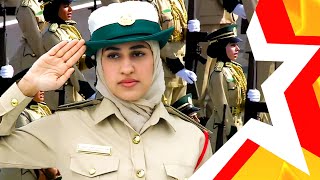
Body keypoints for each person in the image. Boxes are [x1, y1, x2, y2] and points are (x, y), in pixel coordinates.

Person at [0, 2, 212, 179]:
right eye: (113, 56)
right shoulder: (66, 127)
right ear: (99, 65)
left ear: (156, 61)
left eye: (138, 54)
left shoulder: (194, 139)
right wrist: (24, 88)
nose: (127, 68)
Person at [100, 0, 198, 106]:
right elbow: (155, 37)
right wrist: (176, 66)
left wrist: (191, 32)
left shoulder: (177, 1)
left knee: (182, 114)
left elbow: (179, 32)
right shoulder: (147, 4)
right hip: (163, 71)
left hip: (182, 71)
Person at [204, 24, 260, 152]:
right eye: (232, 45)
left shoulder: (236, 69)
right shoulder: (219, 73)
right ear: (222, 48)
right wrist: (231, 129)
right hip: (223, 128)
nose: (237, 49)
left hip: (238, 122)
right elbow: (221, 105)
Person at [194, 0, 246, 119]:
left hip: (230, 17)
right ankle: (197, 115)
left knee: (223, 70)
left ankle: (216, 117)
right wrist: (233, 4)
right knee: (203, 70)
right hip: (209, 16)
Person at [41, 0, 95, 110]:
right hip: (61, 96)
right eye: (65, 6)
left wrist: (92, 59)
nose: (71, 9)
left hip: (74, 91)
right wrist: (87, 91)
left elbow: (77, 63)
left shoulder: (68, 31)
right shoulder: (51, 35)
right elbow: (67, 65)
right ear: (54, 9)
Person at [0, 90, 62, 180]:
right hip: (23, 172)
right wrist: (49, 168)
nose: (42, 91)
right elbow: (27, 145)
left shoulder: (41, 109)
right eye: (37, 88)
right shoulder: (19, 113)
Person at [9, 0, 46, 76]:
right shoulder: (25, 7)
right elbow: (35, 40)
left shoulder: (38, 2)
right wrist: (49, 61)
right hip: (31, 58)